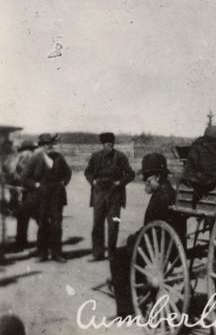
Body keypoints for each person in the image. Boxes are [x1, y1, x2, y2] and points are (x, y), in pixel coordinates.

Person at [109, 152, 186, 318]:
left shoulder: (161, 198)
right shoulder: (169, 193)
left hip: (161, 248)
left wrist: (131, 240)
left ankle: (126, 311)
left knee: (118, 257)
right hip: (173, 245)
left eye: (146, 178)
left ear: (157, 177)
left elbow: (151, 230)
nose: (144, 182)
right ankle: (140, 293)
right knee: (130, 250)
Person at [21, 133, 72, 262]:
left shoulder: (59, 158)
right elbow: (25, 177)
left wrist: (63, 184)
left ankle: (56, 253)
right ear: (41, 146)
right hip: (41, 197)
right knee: (43, 224)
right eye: (45, 145)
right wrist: (36, 185)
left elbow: (68, 173)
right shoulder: (35, 158)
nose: (48, 147)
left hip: (56, 197)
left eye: (50, 144)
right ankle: (42, 254)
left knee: (57, 225)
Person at [84, 132, 135, 261]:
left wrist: (120, 183)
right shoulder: (95, 156)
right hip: (99, 193)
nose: (109, 146)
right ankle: (98, 253)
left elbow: (130, 174)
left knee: (114, 224)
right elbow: (88, 172)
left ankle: (112, 253)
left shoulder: (120, 157)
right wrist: (93, 181)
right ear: (103, 144)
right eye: (107, 144)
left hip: (115, 193)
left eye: (111, 144)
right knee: (97, 224)